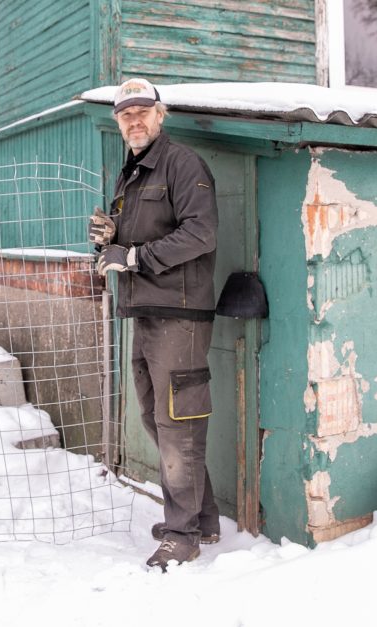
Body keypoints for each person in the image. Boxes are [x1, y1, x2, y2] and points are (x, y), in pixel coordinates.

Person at [90, 77, 220, 571]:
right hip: (144, 311)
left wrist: (135, 255)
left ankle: (181, 534)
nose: (135, 120)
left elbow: (201, 233)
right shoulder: (133, 173)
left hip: (179, 315)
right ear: (118, 121)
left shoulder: (182, 164)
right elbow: (135, 239)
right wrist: (112, 238)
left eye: (144, 111)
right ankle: (202, 519)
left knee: (177, 421)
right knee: (155, 417)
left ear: (161, 115)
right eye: (126, 114)